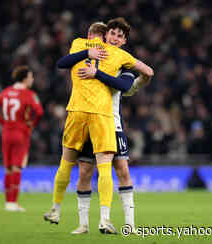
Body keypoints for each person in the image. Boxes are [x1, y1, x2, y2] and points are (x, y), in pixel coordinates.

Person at [44, 18, 153, 234]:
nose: (114, 38)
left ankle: (127, 223)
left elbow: (127, 84)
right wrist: (90, 57)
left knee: (121, 169)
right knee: (84, 172)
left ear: (123, 41)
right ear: (105, 36)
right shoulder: (93, 50)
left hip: (111, 121)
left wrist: (136, 83)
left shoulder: (123, 62)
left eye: (120, 36)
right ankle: (84, 224)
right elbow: (65, 62)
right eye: (112, 34)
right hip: (88, 117)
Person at [0, 65, 43, 212]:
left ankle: (8, 203)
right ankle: (13, 202)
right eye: (31, 77)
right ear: (25, 79)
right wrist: (31, 124)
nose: (32, 79)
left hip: (6, 132)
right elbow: (39, 111)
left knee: (8, 168)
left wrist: (2, 122)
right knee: (17, 167)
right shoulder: (28, 94)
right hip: (21, 132)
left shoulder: (6, 92)